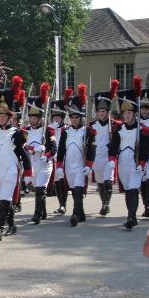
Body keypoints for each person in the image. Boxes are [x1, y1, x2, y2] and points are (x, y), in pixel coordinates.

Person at [0, 76, 31, 241]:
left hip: (11, 169)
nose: (1, 118)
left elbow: (22, 152)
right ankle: (12, 225)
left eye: (4, 115)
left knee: (4, 197)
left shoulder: (17, 133)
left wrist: (29, 170)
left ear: (10, 116)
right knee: (4, 198)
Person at [108, 77, 149, 230]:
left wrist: (142, 164)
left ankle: (131, 217)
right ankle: (131, 215)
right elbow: (113, 146)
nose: (127, 116)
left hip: (136, 164)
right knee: (127, 190)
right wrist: (112, 159)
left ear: (134, 113)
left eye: (129, 113)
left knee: (133, 190)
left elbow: (145, 149)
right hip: (123, 163)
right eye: (124, 113)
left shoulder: (142, 129)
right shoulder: (119, 129)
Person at [56, 84, 93, 227]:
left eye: (76, 117)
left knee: (78, 190)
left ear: (81, 117)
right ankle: (81, 213)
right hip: (68, 166)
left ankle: (75, 214)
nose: (74, 120)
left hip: (80, 166)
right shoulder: (66, 132)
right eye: (72, 117)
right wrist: (59, 165)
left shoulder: (87, 132)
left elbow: (91, 150)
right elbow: (61, 150)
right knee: (74, 190)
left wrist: (89, 165)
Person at [24, 83, 57, 224]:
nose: (32, 120)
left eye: (34, 117)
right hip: (31, 163)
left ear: (39, 118)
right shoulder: (25, 131)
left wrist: (46, 155)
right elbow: (22, 146)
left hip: (44, 164)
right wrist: (31, 148)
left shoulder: (48, 130)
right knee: (36, 188)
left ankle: (37, 214)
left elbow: (54, 148)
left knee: (40, 189)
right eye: (30, 117)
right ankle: (43, 212)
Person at [86, 80, 119, 216]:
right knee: (100, 182)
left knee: (108, 180)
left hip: (108, 156)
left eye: (103, 111)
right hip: (96, 157)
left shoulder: (114, 124)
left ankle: (106, 205)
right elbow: (88, 143)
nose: (101, 113)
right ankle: (103, 202)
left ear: (107, 112)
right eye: (99, 111)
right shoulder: (92, 125)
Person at [50, 90, 71, 215]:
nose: (56, 119)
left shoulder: (66, 129)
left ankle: (64, 204)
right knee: (57, 182)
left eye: (58, 117)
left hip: (64, 159)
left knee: (63, 182)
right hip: (53, 158)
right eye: (54, 117)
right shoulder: (50, 129)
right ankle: (61, 204)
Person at [139, 89, 149, 217]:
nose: (145, 110)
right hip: (142, 153)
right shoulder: (137, 122)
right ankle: (146, 204)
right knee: (142, 180)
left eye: (147, 108)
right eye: (143, 108)